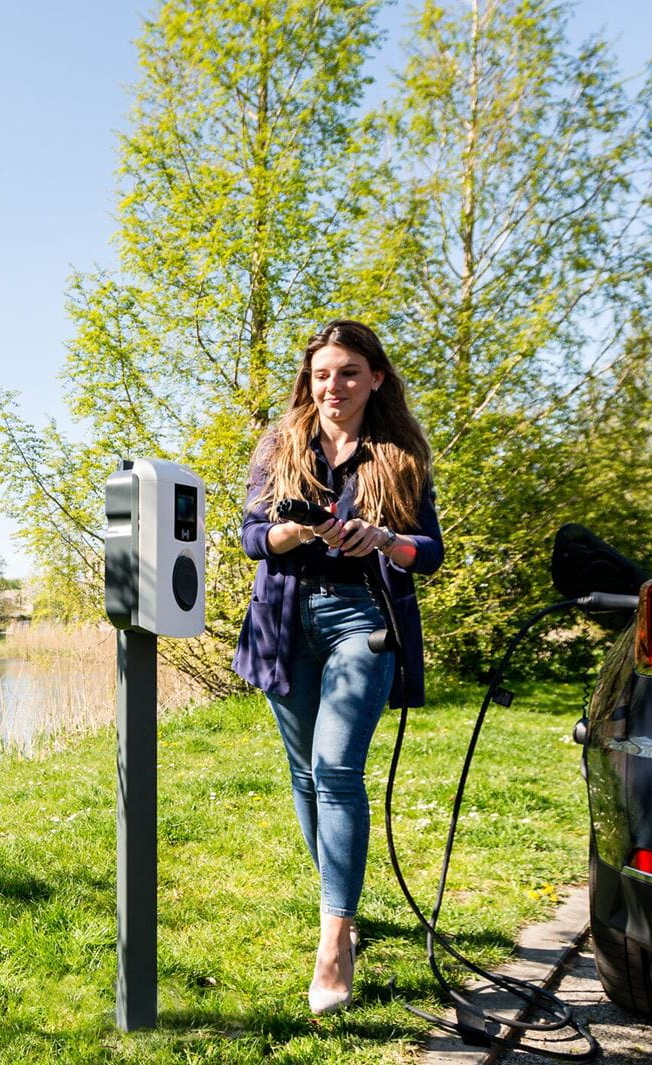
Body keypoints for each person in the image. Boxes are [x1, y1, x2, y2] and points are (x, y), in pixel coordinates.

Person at [234, 318, 443, 1014]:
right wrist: (291, 531)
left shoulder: (400, 454)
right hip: (286, 618)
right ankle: (342, 905)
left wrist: (384, 537)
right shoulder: (280, 443)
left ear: (375, 378)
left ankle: (333, 943)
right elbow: (251, 536)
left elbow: (430, 553)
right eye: (323, 373)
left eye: (349, 372)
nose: (334, 386)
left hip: (364, 618)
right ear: (309, 379)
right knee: (302, 773)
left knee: (335, 769)